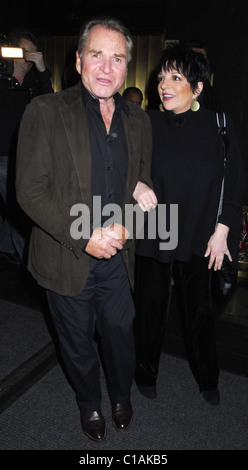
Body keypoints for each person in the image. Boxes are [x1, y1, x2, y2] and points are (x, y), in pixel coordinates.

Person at [16, 16, 156, 442]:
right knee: (76, 341)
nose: (107, 67)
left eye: (117, 58)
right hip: (65, 252)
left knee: (119, 332)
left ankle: (120, 393)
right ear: (78, 60)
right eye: (97, 55)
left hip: (118, 255)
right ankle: (89, 404)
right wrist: (85, 236)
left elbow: (140, 183)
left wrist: (129, 222)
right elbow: (29, 191)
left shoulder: (139, 121)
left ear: (127, 65)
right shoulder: (44, 111)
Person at [134, 44, 245, 406]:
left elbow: (235, 182)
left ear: (197, 88)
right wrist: (133, 184)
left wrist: (224, 229)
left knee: (199, 314)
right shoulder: (146, 123)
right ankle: (145, 372)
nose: (164, 85)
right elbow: (120, 165)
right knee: (150, 309)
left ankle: (208, 378)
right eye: (162, 77)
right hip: (155, 229)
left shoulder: (221, 125)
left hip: (201, 233)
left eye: (176, 77)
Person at [0, 28, 53, 262]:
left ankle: (8, 248)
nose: (29, 58)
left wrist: (42, 70)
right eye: (24, 52)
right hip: (2, 155)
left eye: (34, 53)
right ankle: (26, 259)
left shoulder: (34, 80)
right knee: (16, 208)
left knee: (15, 205)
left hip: (24, 155)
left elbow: (51, 104)